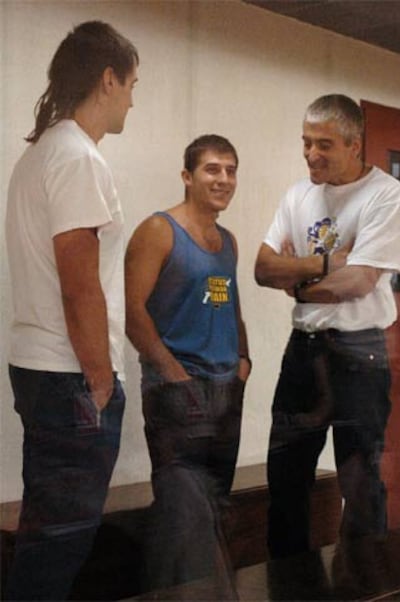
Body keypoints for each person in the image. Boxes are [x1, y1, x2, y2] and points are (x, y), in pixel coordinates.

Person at [5, 21, 138, 600]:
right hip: (71, 376)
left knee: (47, 537)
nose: (133, 98)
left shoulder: (39, 155)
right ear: (108, 80)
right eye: (132, 84)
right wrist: (102, 381)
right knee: (59, 546)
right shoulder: (79, 157)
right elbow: (79, 284)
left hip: (42, 369)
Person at [255, 94, 400, 558]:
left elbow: (360, 280)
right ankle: (288, 586)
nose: (311, 154)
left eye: (324, 144)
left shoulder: (387, 196)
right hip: (303, 349)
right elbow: (264, 268)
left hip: (359, 352)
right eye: (306, 143)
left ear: (354, 144)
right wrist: (325, 262)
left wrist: (299, 281)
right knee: (285, 476)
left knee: (360, 482)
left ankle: (362, 585)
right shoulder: (297, 194)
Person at [125, 134, 251, 590]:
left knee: (216, 511)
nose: (223, 179)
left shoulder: (228, 241)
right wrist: (174, 374)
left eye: (231, 170)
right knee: (183, 520)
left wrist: (242, 361)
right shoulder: (159, 231)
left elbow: (231, 306)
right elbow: (132, 311)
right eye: (212, 169)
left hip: (226, 392)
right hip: (178, 393)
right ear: (187, 176)